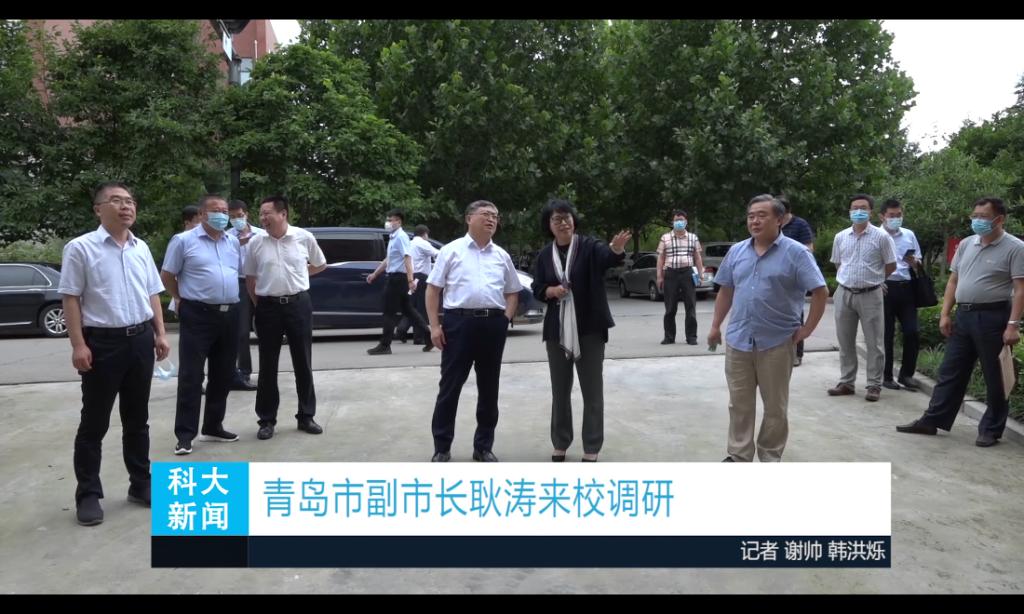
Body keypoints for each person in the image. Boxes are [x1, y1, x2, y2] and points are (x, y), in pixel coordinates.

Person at [58, 181, 170, 526]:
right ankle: (88, 494)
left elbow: (152, 293)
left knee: (137, 419)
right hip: (102, 344)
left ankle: (141, 483)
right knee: (94, 422)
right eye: (117, 201)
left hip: (140, 340)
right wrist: (78, 344)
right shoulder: (80, 248)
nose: (126, 207)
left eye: (130, 201)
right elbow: (70, 297)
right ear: (98, 209)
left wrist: (160, 333)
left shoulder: (140, 247)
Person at [708, 194, 828, 462]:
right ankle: (738, 455)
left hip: (777, 342)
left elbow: (820, 292)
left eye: (762, 215)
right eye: (751, 216)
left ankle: (770, 456)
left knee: (775, 406)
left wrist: (807, 330)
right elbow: (726, 291)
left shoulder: (797, 253)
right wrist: (715, 326)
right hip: (739, 339)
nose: (755, 221)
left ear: (779, 219)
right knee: (739, 403)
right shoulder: (737, 251)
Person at [897, 197, 1024, 447]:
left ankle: (991, 429)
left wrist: (1013, 325)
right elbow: (954, 280)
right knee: (950, 371)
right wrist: (945, 313)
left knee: (995, 375)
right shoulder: (967, 244)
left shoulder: (1015, 248)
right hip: (964, 316)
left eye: (983, 217)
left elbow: (1021, 289)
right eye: (974, 216)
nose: (977, 221)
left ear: (1000, 219)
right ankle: (932, 420)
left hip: (993, 317)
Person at [531, 199, 630, 462]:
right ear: (549, 225)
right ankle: (560, 442)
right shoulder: (544, 255)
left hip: (589, 328)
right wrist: (551, 291)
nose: (563, 223)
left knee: (592, 389)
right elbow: (536, 287)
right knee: (560, 390)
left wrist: (616, 249)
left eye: (567, 218)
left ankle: (592, 445)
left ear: (574, 221)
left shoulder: (588, 246)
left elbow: (608, 257)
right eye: (556, 219)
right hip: (557, 330)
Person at [425, 200, 522, 462]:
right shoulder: (451, 251)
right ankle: (442, 447)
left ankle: (483, 447)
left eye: (495, 216)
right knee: (450, 387)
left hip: (493, 325)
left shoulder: (501, 255)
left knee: (489, 388)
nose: (491, 219)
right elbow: (433, 290)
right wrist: (435, 326)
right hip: (458, 324)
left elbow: (513, 291)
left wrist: (504, 319)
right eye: (486, 214)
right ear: (469, 218)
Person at [160, 194, 243, 455]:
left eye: (225, 211)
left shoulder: (232, 241)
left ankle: (213, 426)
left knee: (224, 372)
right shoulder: (183, 240)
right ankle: (185, 435)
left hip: (229, 313)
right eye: (216, 210)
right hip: (198, 313)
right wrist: (179, 298)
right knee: (192, 375)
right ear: (203, 214)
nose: (222, 215)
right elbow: (167, 275)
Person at [244, 195, 327, 440]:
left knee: (303, 361)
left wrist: (300, 274)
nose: (263, 218)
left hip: (298, 305)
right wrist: (259, 305)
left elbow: (320, 264)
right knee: (267, 366)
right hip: (268, 307)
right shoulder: (256, 242)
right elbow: (250, 278)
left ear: (283, 214)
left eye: (267, 213)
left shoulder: (303, 237)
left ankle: (306, 416)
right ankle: (266, 420)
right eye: (261, 214)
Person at [827, 194, 897, 402]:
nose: (858, 211)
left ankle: (874, 385)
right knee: (845, 340)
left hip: (871, 294)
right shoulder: (840, 237)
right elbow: (838, 263)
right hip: (844, 293)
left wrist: (877, 280)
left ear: (871, 212)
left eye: (863, 208)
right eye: (855, 208)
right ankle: (846, 382)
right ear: (849, 211)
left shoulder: (882, 237)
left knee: (874, 342)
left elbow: (891, 265)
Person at [366, 209, 433, 354]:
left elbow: (407, 257)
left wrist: (410, 279)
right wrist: (375, 273)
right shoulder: (393, 237)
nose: (388, 222)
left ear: (399, 221)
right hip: (396, 278)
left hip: (398, 279)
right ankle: (428, 337)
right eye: (388, 219)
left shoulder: (401, 237)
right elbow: (389, 259)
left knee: (388, 311)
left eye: (391, 220)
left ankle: (385, 345)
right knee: (409, 310)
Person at [878, 198, 924, 391]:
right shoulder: (875, 235)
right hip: (884, 288)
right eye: (891, 215)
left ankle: (906, 375)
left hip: (906, 288)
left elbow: (919, 262)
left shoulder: (909, 235)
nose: (896, 218)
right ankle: (886, 376)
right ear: (882, 216)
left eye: (899, 215)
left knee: (912, 332)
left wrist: (914, 262)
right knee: (886, 335)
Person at [226, 199, 266, 390]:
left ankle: (268, 372)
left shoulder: (261, 234)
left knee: (266, 330)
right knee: (241, 332)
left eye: (239, 216)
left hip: (262, 283)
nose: (236, 219)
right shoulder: (226, 237)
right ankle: (243, 372)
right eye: (232, 217)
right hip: (239, 284)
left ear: (247, 214)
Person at [656, 209, 704, 345]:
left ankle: (691, 337)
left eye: (681, 220)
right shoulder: (665, 238)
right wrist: (659, 276)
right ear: (673, 222)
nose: (679, 222)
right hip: (670, 273)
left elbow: (697, 257)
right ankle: (669, 337)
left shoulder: (693, 238)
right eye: (676, 220)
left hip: (688, 273)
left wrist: (700, 275)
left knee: (690, 306)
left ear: (686, 222)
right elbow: (661, 258)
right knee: (670, 307)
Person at [778, 194, 815, 366]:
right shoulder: (774, 224)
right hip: (776, 276)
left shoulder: (800, 224)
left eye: (782, 215)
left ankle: (797, 353)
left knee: (795, 315)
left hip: (794, 276)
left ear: (788, 212)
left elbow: (808, 249)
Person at [395, 224, 439, 345]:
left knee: (412, 306)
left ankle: (401, 330)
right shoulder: (422, 243)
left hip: (410, 277)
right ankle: (418, 337)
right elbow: (437, 253)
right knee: (421, 308)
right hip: (420, 278)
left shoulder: (409, 243)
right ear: (425, 234)